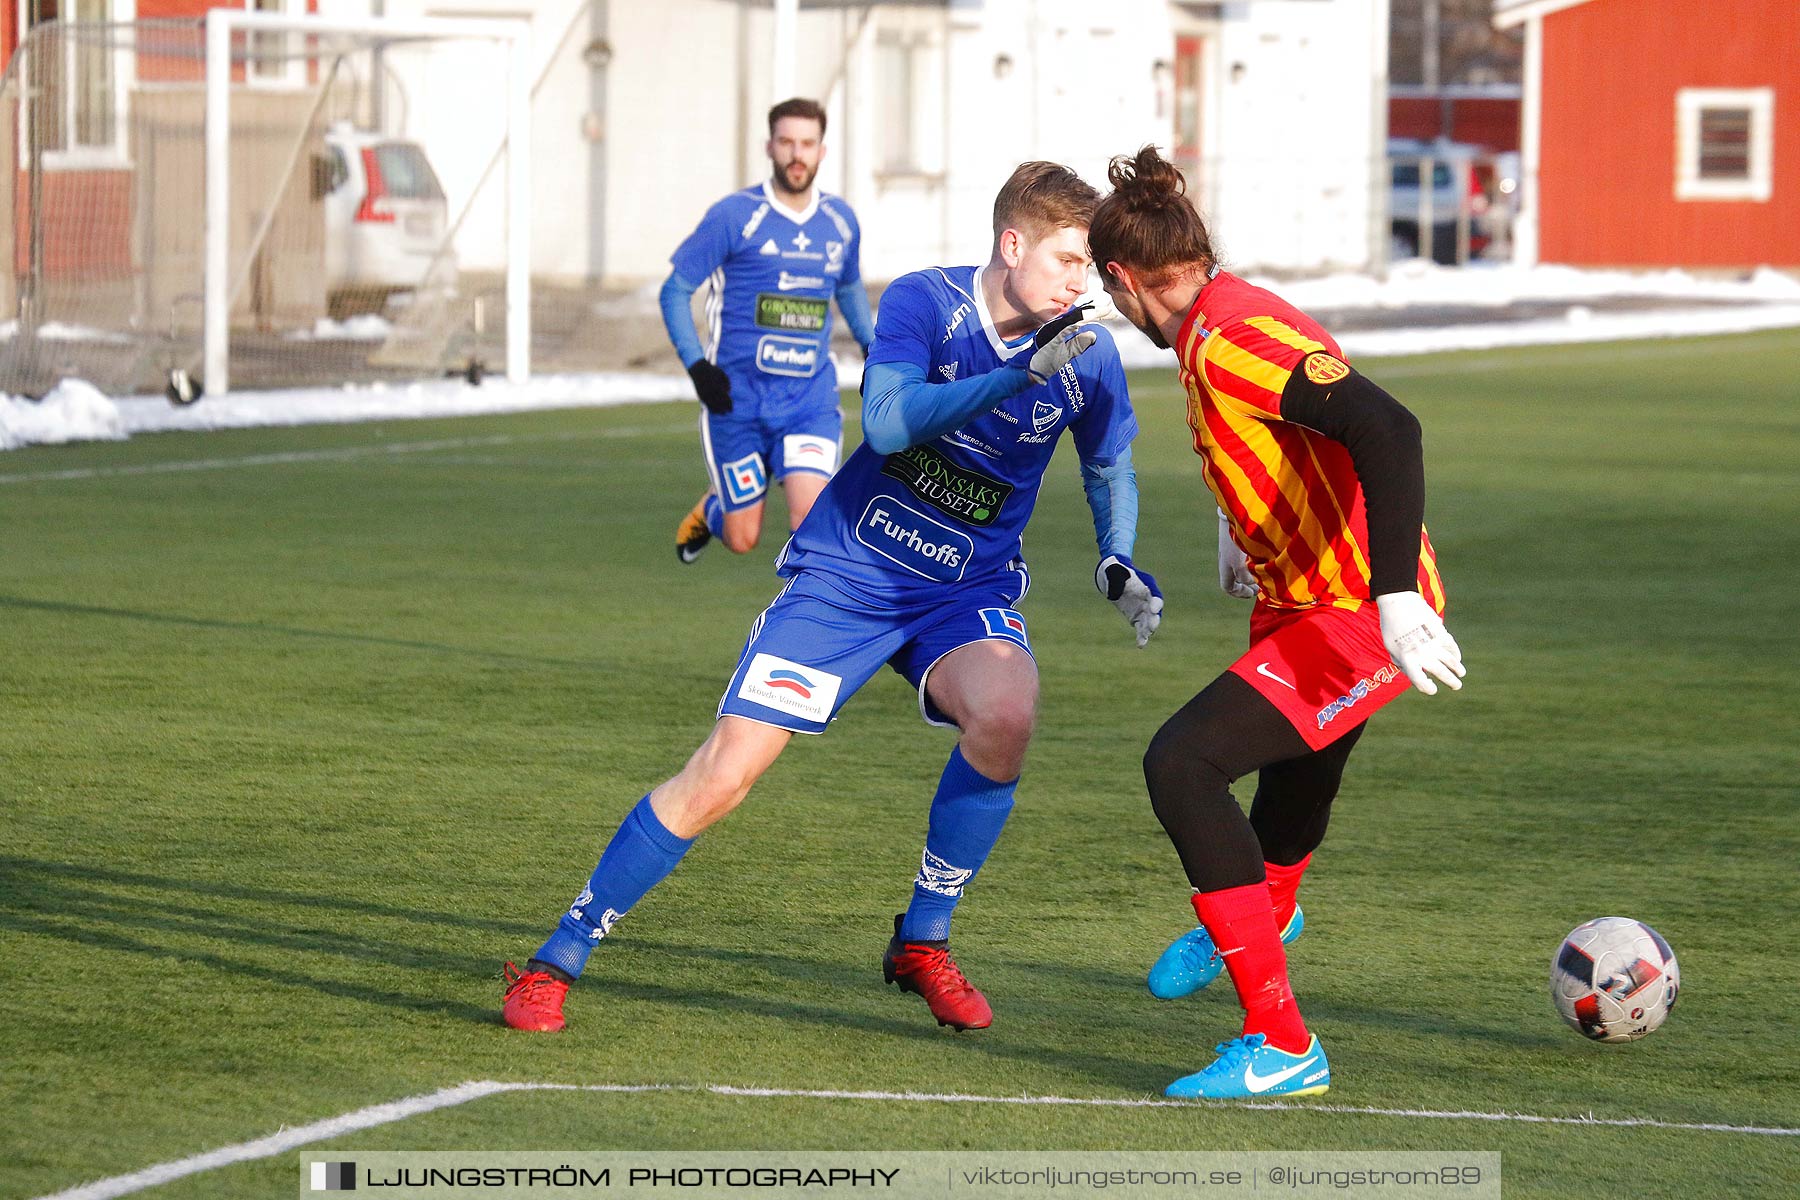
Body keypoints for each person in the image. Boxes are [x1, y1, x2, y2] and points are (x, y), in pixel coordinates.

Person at [504, 161, 1164, 1034]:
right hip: (849, 576)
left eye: (1090, 267)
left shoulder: (1087, 352)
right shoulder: (928, 305)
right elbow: (888, 424)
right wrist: (1014, 377)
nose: (1085, 282)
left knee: (1008, 714)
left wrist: (1117, 556)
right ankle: (558, 955)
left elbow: (1109, 463)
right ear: (1012, 245)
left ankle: (922, 941)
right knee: (724, 776)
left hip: (962, 594)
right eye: (1071, 260)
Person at [1086, 147, 1466, 1099]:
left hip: (1351, 610)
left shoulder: (1225, 339)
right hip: (1300, 595)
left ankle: (1282, 1043)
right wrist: (1236, 517)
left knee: (1182, 764)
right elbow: (1288, 431)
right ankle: (1269, 909)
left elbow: (1390, 429)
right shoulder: (1225, 311)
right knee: (1296, 783)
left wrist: (1396, 598)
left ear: (1123, 279)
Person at [662, 98, 877, 564]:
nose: (796, 154)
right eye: (786, 143)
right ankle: (715, 508)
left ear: (822, 151)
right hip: (737, 401)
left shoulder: (840, 222)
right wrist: (698, 368)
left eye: (806, 143)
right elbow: (674, 292)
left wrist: (874, 349)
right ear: (769, 147)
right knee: (743, 538)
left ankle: (805, 631)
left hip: (807, 402)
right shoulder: (734, 216)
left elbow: (849, 286)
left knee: (810, 523)